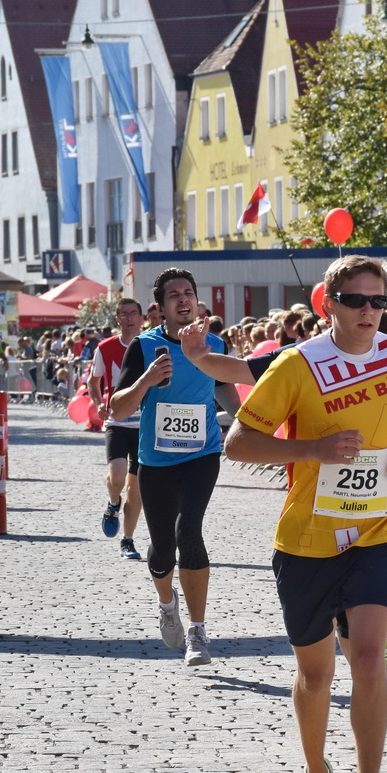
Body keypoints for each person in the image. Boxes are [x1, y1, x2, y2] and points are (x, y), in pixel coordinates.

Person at [226, 255, 387, 773]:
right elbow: (238, 441)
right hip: (306, 540)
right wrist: (313, 449)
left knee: (369, 658)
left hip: (379, 531)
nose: (370, 312)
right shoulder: (297, 366)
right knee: (316, 674)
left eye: (380, 302)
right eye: (357, 301)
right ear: (329, 303)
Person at [109, 270, 238, 666]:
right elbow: (118, 408)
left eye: (189, 294)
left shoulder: (214, 344)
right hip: (156, 460)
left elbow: (229, 394)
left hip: (202, 455)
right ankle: (168, 605)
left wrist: (256, 424)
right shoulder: (144, 347)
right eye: (174, 296)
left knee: (189, 530)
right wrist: (147, 380)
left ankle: (197, 633)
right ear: (161, 307)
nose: (183, 300)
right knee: (163, 550)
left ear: (197, 302)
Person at [90, 297, 147, 560]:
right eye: (124, 314)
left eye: (133, 313)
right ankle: (113, 503)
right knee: (117, 476)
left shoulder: (150, 346)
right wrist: (98, 403)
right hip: (117, 421)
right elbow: (95, 380)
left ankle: (128, 540)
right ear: (117, 319)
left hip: (144, 424)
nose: (129, 318)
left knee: (136, 490)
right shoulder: (106, 347)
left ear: (141, 317)